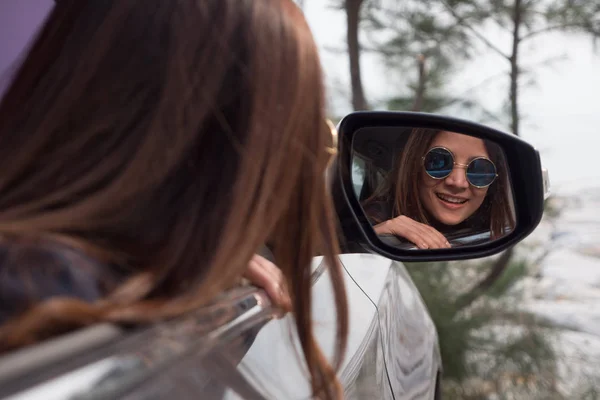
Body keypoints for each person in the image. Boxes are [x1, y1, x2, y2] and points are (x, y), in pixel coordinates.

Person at [0, 1, 348, 399]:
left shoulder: (44, 272)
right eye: (302, 141)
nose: (293, 174)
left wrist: (187, 259)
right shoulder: (47, 293)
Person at [362, 128, 515, 249]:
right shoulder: (367, 220)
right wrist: (372, 237)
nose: (458, 182)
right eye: (439, 161)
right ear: (414, 166)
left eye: (480, 170)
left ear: (494, 183)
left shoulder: (491, 233)